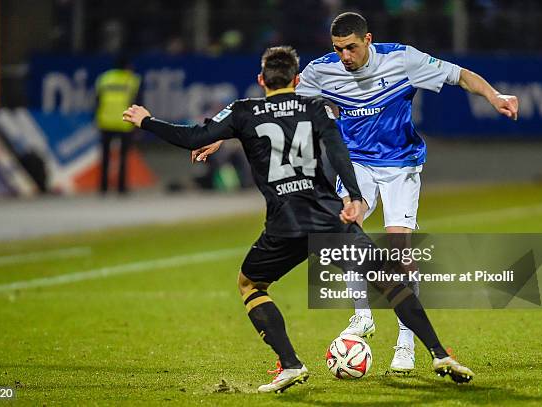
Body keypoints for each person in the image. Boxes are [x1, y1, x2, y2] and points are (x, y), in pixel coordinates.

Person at [123, 46, 474, 393]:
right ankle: (439, 354)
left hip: (284, 224)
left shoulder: (244, 111)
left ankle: (290, 363)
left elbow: (193, 138)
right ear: (297, 79)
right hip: (327, 217)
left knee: (251, 285)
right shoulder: (316, 107)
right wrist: (353, 195)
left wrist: (147, 121)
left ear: (261, 79)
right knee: (390, 280)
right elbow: (338, 150)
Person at [197, 12, 520, 373]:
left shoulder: (403, 60)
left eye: (351, 48)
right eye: (338, 49)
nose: (345, 57)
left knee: (399, 250)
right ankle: (362, 317)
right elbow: (267, 105)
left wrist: (494, 96)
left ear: (368, 40)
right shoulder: (322, 71)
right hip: (357, 165)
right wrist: (215, 134)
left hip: (401, 165)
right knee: (347, 231)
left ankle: (405, 341)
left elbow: (460, 75)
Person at [95, 56, 141, 195]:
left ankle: (103, 187)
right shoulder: (132, 80)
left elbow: (97, 100)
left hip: (105, 121)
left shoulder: (104, 78)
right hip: (124, 122)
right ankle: (121, 187)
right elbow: (136, 102)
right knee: (123, 156)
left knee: (104, 156)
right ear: (127, 66)